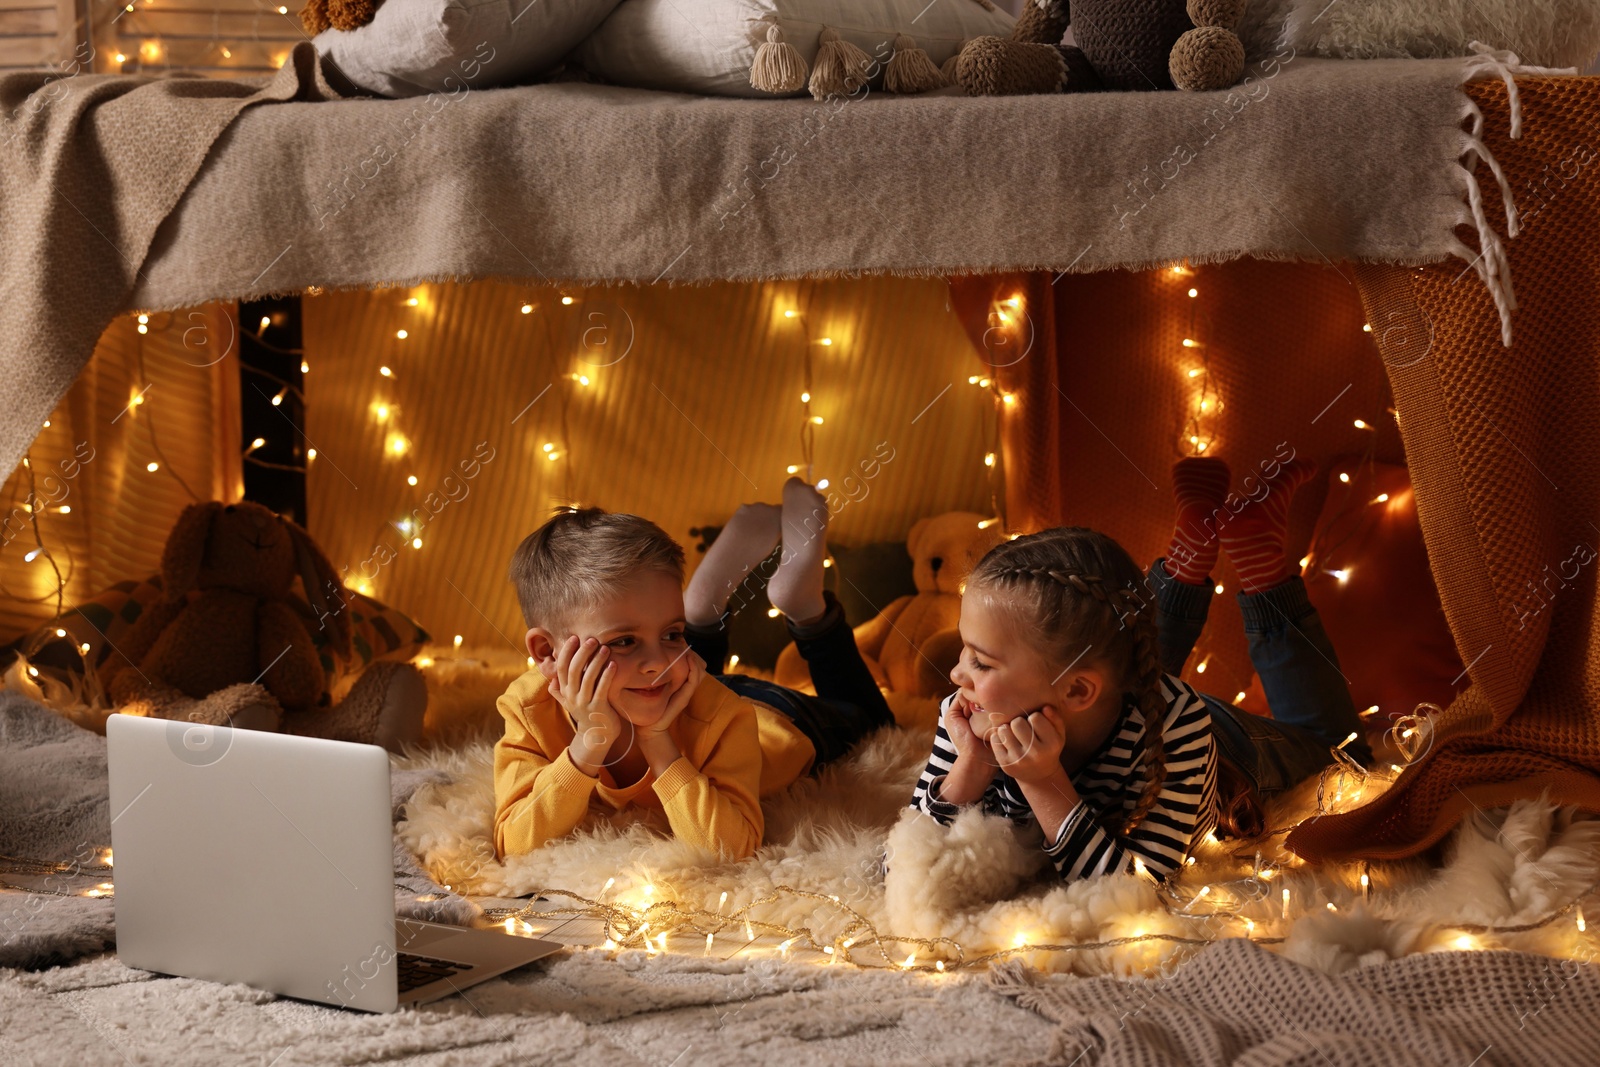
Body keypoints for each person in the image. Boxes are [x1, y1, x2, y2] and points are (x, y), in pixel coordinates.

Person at [908, 456, 1375, 882]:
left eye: (980, 660)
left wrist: (1043, 782)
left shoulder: (1180, 728)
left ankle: (1262, 564)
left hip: (1229, 747)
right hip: (1113, 695)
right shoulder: (971, 710)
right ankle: (1189, 549)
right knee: (1108, 641)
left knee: (1349, 757)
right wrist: (968, 771)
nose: (955, 675)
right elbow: (902, 869)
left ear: (1076, 692)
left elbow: (1138, 894)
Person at [494, 478, 894, 860]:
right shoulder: (529, 708)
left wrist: (657, 741)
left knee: (873, 721)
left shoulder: (722, 713)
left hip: (777, 717)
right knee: (666, 664)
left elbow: (732, 848)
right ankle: (700, 610)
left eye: (674, 630)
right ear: (547, 652)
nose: (658, 662)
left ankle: (807, 611)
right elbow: (514, 844)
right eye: (624, 641)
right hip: (686, 684)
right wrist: (587, 747)